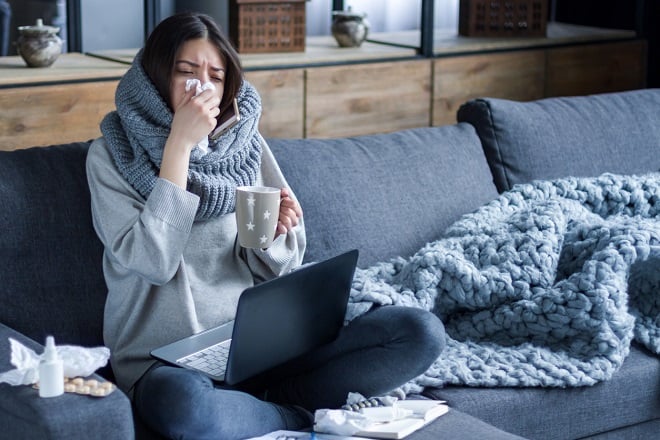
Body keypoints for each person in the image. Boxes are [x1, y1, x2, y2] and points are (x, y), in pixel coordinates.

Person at [87, 12, 446, 440]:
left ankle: (267, 403)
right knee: (184, 409)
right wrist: (178, 146)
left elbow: (278, 266)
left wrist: (275, 237)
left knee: (419, 332)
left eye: (216, 76)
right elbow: (153, 261)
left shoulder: (244, 146)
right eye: (186, 71)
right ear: (154, 78)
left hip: (258, 346)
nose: (202, 86)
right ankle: (293, 413)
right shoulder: (111, 156)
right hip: (165, 363)